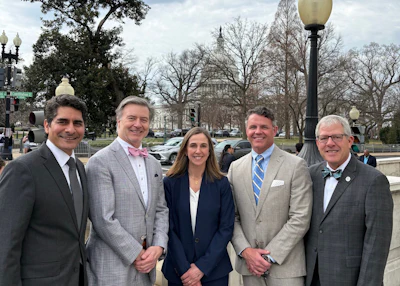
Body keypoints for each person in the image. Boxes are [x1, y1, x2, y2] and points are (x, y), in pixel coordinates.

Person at [0, 94, 89, 286]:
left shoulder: (80, 169)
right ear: (47, 126)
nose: (71, 129)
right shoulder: (23, 170)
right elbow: (6, 244)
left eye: (77, 123)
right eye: (62, 121)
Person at [86, 96, 169, 286]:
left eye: (144, 120)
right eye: (132, 118)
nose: (138, 124)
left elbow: (161, 210)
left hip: (146, 269)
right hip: (111, 267)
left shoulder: (154, 164)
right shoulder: (100, 162)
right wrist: (137, 253)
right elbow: (103, 219)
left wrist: (158, 246)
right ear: (119, 121)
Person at [228, 106, 312, 286]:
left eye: (264, 127)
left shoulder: (296, 165)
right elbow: (231, 217)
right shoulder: (235, 168)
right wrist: (246, 252)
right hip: (249, 268)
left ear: (274, 130)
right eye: (253, 127)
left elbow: (300, 217)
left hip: (286, 268)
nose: (258, 132)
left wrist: (269, 256)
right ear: (246, 130)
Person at [305, 115, 393, 286]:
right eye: (324, 138)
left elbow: (377, 245)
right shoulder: (310, 175)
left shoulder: (374, 181)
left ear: (350, 140)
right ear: (317, 143)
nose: (330, 143)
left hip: (348, 279)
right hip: (311, 277)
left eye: (337, 137)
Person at [162, 127, 235, 286]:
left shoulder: (221, 184)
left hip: (214, 272)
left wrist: (201, 268)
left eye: (203, 146)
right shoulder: (170, 183)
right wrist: (186, 270)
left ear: (209, 150)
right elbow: (168, 228)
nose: (198, 150)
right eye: (193, 145)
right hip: (178, 273)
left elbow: (226, 228)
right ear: (185, 150)